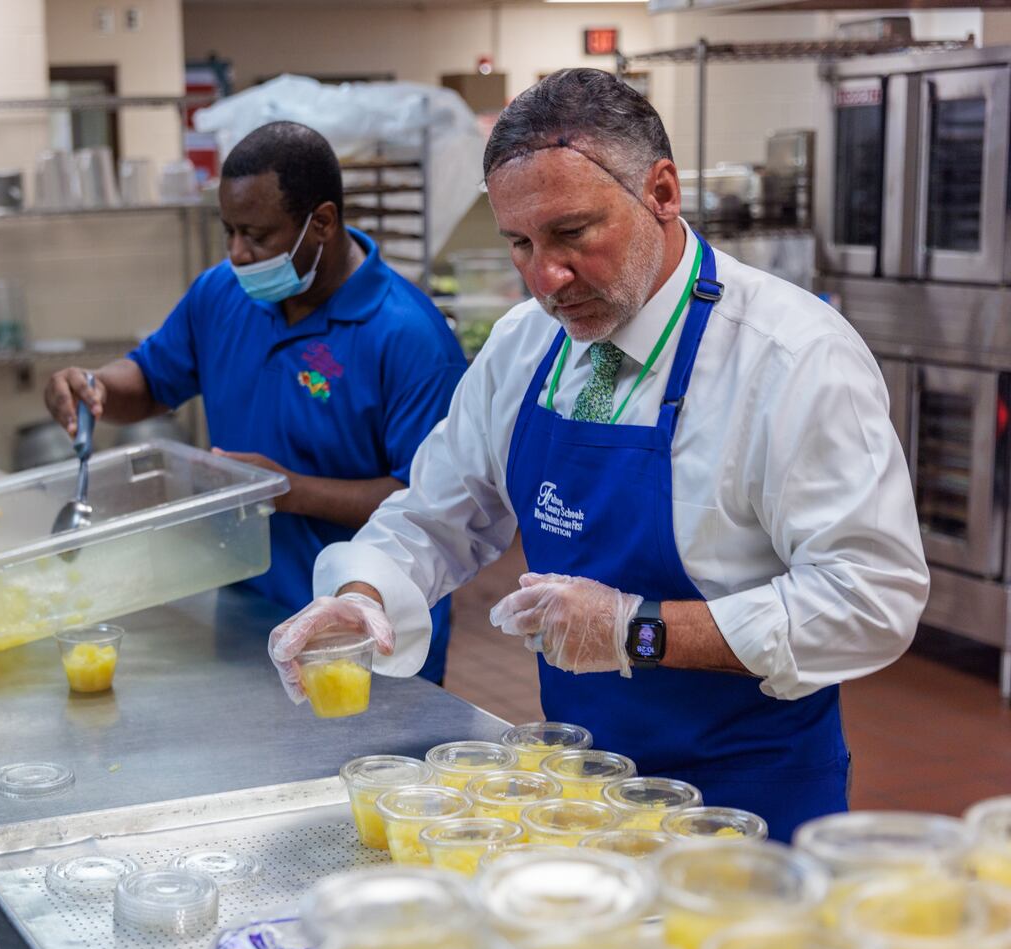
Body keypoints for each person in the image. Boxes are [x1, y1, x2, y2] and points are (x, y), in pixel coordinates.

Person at [268, 69, 928, 840]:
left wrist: (636, 630)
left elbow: (871, 599)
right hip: (578, 797)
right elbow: (434, 513)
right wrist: (364, 592)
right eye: (520, 243)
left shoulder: (789, 359)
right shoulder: (527, 345)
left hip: (748, 810)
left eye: (572, 234)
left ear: (662, 192)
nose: (545, 278)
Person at [44, 122, 465, 683]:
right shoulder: (222, 294)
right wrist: (95, 387)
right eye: (229, 232)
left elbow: (430, 507)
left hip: (362, 632)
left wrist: (282, 489)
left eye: (259, 236)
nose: (239, 254)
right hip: (250, 612)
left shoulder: (408, 337)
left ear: (322, 223)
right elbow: (149, 379)